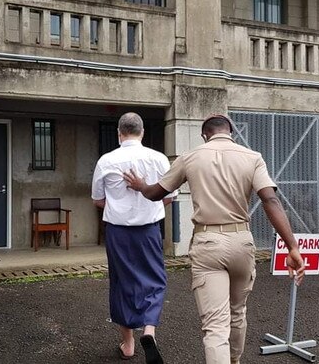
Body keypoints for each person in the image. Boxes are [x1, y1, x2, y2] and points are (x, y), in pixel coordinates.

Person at [123, 114, 305, 364]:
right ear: (231, 133)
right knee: (237, 313)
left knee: (215, 326)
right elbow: (270, 200)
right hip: (242, 240)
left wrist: (141, 185)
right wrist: (292, 247)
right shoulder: (252, 157)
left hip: (208, 243)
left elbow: (156, 193)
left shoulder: (190, 157)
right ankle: (235, 361)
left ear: (204, 135)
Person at [91, 112, 176, 364]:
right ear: (142, 132)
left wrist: (118, 205)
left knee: (121, 283)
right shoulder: (158, 158)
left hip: (118, 232)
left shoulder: (107, 160)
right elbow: (170, 196)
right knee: (154, 279)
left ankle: (128, 345)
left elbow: (97, 200)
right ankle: (149, 331)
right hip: (149, 229)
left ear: (119, 133)